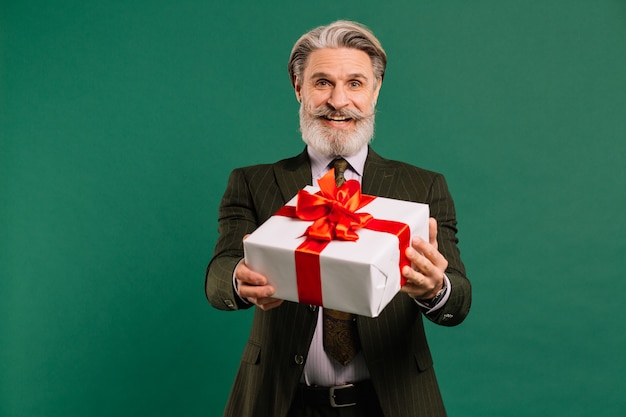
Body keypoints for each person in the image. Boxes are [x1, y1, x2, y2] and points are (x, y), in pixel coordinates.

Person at [205, 20, 472, 417]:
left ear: (375, 90)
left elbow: (459, 300)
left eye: (355, 83)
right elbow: (218, 276)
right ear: (299, 90)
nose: (339, 100)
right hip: (282, 401)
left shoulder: (424, 187)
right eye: (322, 83)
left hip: (391, 402)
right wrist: (239, 281)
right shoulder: (253, 182)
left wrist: (435, 289)